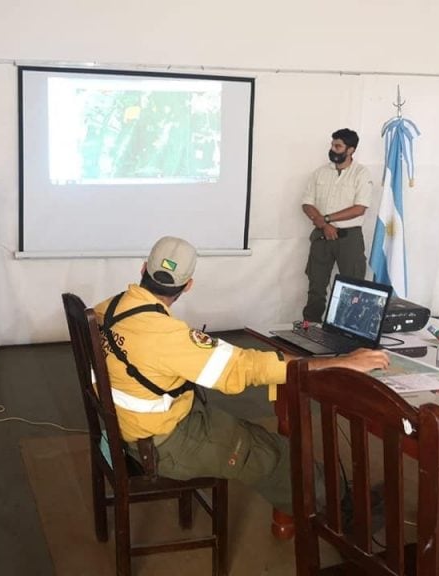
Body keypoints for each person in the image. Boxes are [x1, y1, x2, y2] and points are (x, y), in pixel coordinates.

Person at [93, 236, 389, 514]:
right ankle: (343, 513)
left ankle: (334, 496)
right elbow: (243, 368)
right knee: (275, 455)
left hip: (127, 428)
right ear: (188, 285)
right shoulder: (167, 335)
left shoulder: (109, 307)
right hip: (163, 444)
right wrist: (340, 362)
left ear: (144, 269)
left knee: (254, 435)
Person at [301, 128, 374, 322]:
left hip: (349, 238)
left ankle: (348, 329)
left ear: (350, 150)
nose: (333, 148)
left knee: (353, 288)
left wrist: (326, 219)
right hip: (322, 236)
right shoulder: (320, 173)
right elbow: (307, 203)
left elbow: (360, 208)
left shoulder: (361, 173)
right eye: (332, 144)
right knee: (316, 286)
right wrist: (325, 225)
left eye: (338, 146)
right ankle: (310, 329)